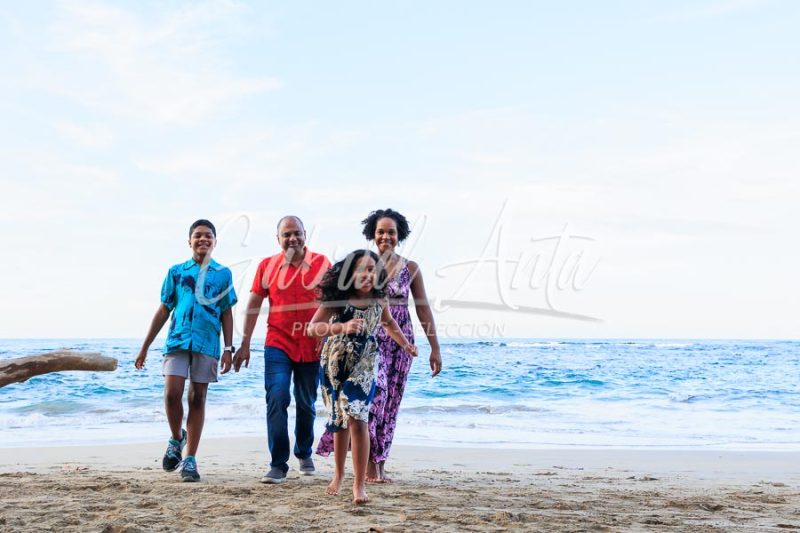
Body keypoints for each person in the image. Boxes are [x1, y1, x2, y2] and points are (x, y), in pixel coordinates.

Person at [316, 208, 441, 483]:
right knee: (373, 400)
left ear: (399, 235)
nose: (386, 237)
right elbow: (339, 306)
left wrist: (435, 347)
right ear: (372, 234)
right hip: (367, 343)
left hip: (399, 341)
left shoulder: (410, 269)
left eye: (391, 232)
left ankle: (379, 463)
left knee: (390, 404)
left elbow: (423, 309)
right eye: (380, 232)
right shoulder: (365, 265)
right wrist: (329, 336)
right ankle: (367, 467)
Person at [307, 250, 417, 504]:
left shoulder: (380, 299)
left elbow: (389, 324)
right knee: (339, 420)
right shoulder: (339, 299)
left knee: (359, 419)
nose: (367, 275)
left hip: (365, 363)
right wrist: (341, 327)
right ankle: (338, 474)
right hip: (336, 362)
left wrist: (405, 344)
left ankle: (359, 485)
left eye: (372, 270)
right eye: (361, 269)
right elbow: (312, 328)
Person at [135, 219, 237, 482]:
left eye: (208, 235)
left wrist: (229, 348)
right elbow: (163, 309)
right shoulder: (176, 272)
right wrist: (145, 347)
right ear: (189, 241)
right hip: (177, 340)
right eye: (198, 235)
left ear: (215, 241)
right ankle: (176, 438)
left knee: (197, 398)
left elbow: (227, 312)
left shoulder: (223, 274)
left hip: (207, 343)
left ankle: (190, 458)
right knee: (172, 394)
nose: (203, 239)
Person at [233, 216, 331, 484]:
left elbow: (334, 302)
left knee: (306, 403)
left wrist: (328, 333)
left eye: (297, 233)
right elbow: (253, 304)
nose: (292, 238)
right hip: (278, 342)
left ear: (305, 234)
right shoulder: (267, 266)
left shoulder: (322, 263)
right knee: (277, 397)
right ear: (278, 239)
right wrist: (245, 344)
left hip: (312, 345)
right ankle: (278, 463)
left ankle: (304, 452)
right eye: (286, 234)